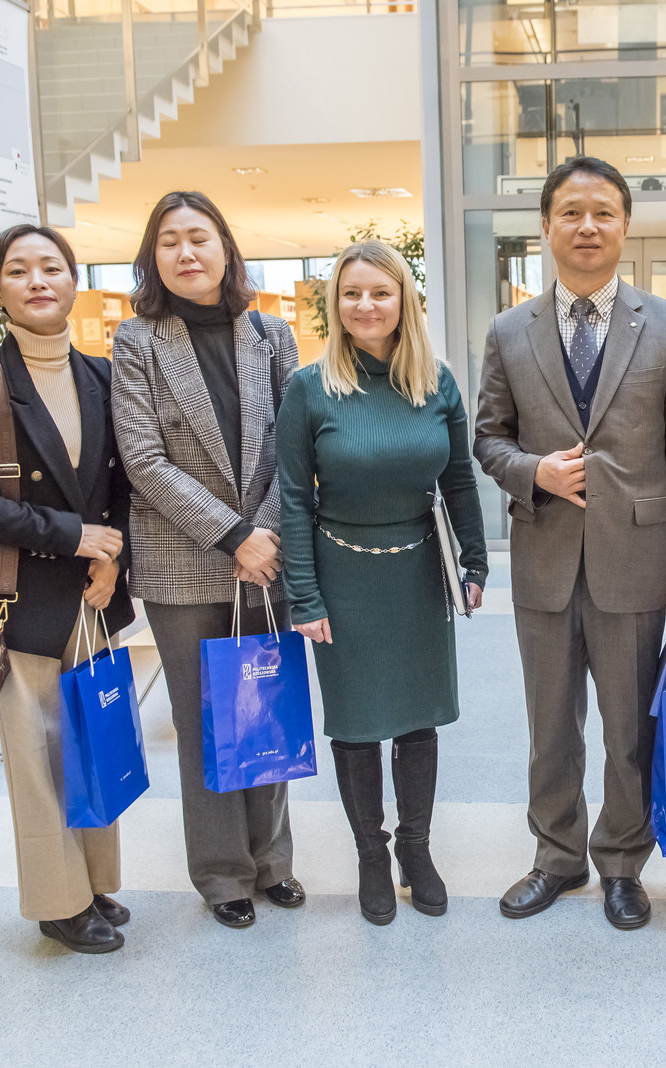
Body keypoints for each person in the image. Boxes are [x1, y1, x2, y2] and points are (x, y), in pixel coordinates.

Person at [474, 156, 666, 930]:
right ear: (546, 226)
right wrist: (533, 471)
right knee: (550, 729)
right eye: (571, 213)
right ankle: (556, 857)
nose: (587, 226)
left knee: (629, 729)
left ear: (624, 225)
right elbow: (488, 439)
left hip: (636, 563)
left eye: (603, 212)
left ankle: (620, 862)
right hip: (544, 560)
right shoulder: (509, 331)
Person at [0, 224, 135, 954]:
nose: (38, 280)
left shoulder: (101, 375)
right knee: (37, 760)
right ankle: (58, 902)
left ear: (75, 281)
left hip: (92, 596)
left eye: (52, 267)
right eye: (18, 270)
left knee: (91, 743)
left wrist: (114, 555)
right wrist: (72, 536)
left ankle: (95, 883)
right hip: (15, 600)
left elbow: (122, 485)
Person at [275, 241, 487, 926]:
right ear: (335, 303)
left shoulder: (436, 382)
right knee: (357, 724)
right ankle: (372, 854)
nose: (365, 305)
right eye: (351, 293)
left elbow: (459, 481)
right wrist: (304, 595)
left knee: (419, 719)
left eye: (380, 292)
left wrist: (475, 562)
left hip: (419, 571)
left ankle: (415, 851)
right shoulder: (310, 388)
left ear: (405, 301)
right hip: (341, 577)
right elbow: (292, 498)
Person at [110, 191, 304, 929]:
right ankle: (223, 873)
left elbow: (296, 446)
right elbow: (143, 459)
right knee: (205, 723)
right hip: (184, 563)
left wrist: (265, 534)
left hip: (268, 556)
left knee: (265, 707)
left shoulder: (271, 334)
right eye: (169, 241)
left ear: (226, 248)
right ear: (153, 258)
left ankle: (273, 861)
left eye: (199, 237)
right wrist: (233, 535)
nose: (186, 252)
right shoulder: (137, 342)